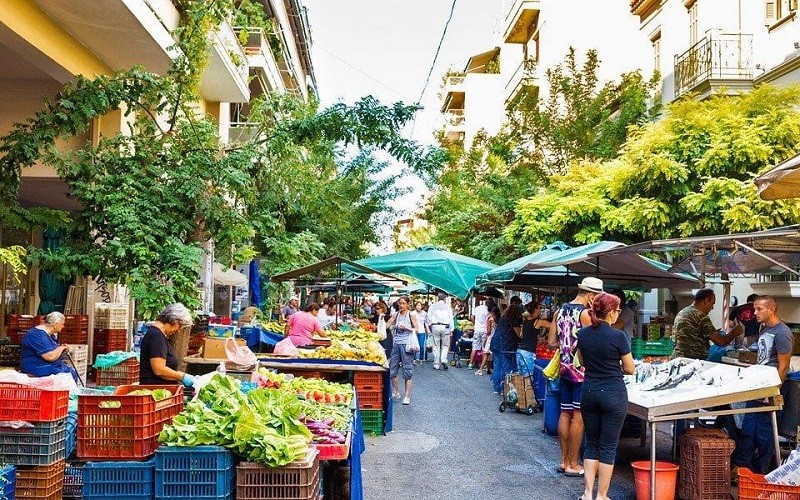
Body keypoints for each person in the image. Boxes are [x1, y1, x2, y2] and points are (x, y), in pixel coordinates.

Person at [576, 293, 635, 500]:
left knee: (591, 443)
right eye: (618, 310)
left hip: (589, 391)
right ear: (610, 312)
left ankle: (586, 493)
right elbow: (630, 368)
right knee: (608, 446)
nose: (618, 313)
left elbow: (582, 362)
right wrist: (613, 364)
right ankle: (601, 496)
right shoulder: (618, 337)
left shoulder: (583, 334)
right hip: (613, 393)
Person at [548, 276, 603, 477]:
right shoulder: (586, 314)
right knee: (579, 417)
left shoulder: (559, 310)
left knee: (565, 413)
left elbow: (551, 342)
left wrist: (566, 346)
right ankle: (573, 463)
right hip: (581, 372)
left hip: (564, 370)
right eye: (597, 297)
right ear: (590, 295)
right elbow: (594, 343)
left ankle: (563, 461)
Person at [732, 295, 793, 474]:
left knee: (764, 434)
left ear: (771, 310)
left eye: (759, 309)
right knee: (748, 430)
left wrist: (773, 391)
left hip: (769, 389)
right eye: (755, 309)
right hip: (756, 387)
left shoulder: (783, 333)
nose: (754, 313)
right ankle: (744, 469)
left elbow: (783, 367)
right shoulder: (764, 328)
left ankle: (762, 472)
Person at [672, 288, 740, 360]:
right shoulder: (700, 316)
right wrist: (735, 332)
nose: (712, 308)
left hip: (678, 357)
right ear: (706, 301)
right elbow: (720, 341)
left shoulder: (683, 312)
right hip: (691, 360)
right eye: (712, 304)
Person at [139, 304, 195, 386]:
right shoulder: (156, 336)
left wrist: (182, 376)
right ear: (174, 321)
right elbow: (159, 369)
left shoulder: (158, 335)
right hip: (156, 391)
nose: (179, 330)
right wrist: (182, 377)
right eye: (180, 326)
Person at [20, 312, 79, 382]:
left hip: (46, 365)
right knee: (66, 375)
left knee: (71, 371)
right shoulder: (37, 335)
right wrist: (61, 348)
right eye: (62, 324)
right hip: (36, 366)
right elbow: (50, 357)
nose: (63, 326)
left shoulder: (48, 334)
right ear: (56, 324)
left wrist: (62, 348)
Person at [386, 296, 418, 405]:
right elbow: (387, 324)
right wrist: (381, 322)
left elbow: (417, 329)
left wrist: (406, 327)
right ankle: (396, 391)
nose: (401, 305)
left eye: (404, 303)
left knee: (407, 370)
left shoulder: (411, 315)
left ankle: (407, 396)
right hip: (396, 344)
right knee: (392, 369)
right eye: (400, 303)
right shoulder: (396, 315)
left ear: (408, 304)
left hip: (407, 345)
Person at [489, 302, 523, 394]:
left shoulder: (502, 318)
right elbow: (519, 334)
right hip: (506, 345)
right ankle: (505, 389)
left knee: (497, 366)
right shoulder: (514, 320)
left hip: (495, 343)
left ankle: (497, 388)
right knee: (506, 367)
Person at [517, 302, 551, 376]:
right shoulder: (538, 322)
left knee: (523, 379)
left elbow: (522, 335)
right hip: (528, 353)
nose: (540, 310)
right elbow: (553, 326)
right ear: (535, 309)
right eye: (539, 308)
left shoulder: (525, 320)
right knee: (530, 379)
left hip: (520, 351)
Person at [426, 292, 455, 370]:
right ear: (445, 298)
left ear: (438, 298)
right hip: (445, 327)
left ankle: (436, 364)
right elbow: (451, 319)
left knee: (435, 346)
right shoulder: (448, 307)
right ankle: (443, 359)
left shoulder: (432, 306)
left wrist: (430, 325)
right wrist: (451, 329)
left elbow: (428, 317)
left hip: (435, 326)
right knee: (445, 346)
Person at [469, 298, 494, 369]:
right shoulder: (489, 311)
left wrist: (475, 324)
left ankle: (470, 364)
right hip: (484, 331)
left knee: (474, 347)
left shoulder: (477, 308)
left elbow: (472, 317)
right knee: (484, 348)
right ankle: (484, 364)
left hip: (477, 329)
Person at [476, 306, 500, 376]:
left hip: (490, 337)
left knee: (486, 353)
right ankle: (490, 369)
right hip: (497, 337)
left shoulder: (490, 319)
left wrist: (486, 340)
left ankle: (480, 369)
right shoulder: (499, 319)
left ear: (492, 312)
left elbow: (488, 331)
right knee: (495, 354)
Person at [410, 301, 428, 365]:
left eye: (419, 305)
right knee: (414, 345)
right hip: (414, 331)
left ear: (422, 306)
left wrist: (428, 330)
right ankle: (414, 359)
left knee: (421, 345)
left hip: (422, 331)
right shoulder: (412, 313)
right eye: (417, 305)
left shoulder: (425, 313)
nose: (418, 306)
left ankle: (421, 358)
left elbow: (426, 323)